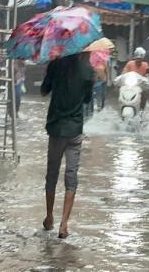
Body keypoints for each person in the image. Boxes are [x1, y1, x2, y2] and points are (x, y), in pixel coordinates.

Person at [40, 54, 94, 239]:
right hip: (75, 130)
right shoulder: (88, 69)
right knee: (71, 175)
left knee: (52, 174)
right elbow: (87, 100)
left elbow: (43, 90)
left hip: (56, 128)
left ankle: (49, 217)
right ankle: (64, 223)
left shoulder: (55, 64)